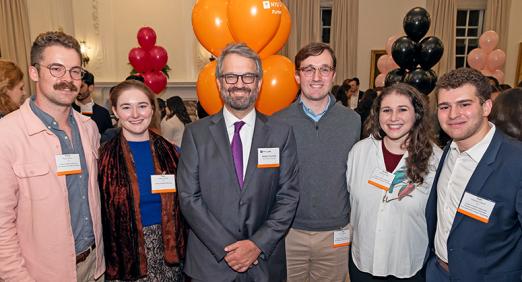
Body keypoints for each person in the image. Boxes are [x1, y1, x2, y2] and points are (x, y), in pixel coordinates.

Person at [177, 43, 299, 282]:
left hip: (263, 262)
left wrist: (256, 244)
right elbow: (189, 198)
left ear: (259, 82)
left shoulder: (281, 133)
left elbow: (289, 196)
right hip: (210, 263)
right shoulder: (195, 133)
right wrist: (229, 249)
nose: (240, 84)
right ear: (220, 82)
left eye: (248, 76)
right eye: (231, 76)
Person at [0, 31, 105, 281]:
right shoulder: (7, 135)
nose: (67, 80)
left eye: (75, 71)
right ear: (34, 72)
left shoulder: (89, 129)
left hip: (94, 267)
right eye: (56, 69)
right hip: (41, 275)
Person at [425, 68, 522, 281]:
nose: (453, 115)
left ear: (486, 106)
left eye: (464, 104)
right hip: (437, 273)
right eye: (445, 107)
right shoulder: (448, 151)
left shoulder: (516, 161)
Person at [274, 42, 360, 282]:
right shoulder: (277, 122)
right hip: (289, 234)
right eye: (308, 69)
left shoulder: (353, 121)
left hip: (336, 234)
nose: (316, 77)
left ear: (333, 75)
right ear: (297, 75)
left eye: (324, 69)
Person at [347, 83, 442, 282]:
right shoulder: (359, 152)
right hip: (363, 263)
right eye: (387, 110)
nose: (393, 118)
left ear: (416, 114)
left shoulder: (436, 159)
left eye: (402, 110)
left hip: (408, 265)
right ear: (377, 114)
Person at [98, 80, 186, 281]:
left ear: (152, 109)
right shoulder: (102, 158)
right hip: (125, 255)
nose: (135, 114)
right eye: (126, 107)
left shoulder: (173, 153)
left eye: (142, 106)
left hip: (168, 250)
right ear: (115, 111)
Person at [73, 70, 113, 134]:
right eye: (75, 86)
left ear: (91, 88)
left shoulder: (103, 113)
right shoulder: (67, 110)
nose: (77, 90)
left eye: (81, 86)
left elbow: (109, 140)